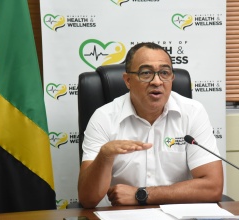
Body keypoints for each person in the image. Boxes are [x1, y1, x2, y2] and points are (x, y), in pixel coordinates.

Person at [78, 42, 223, 208]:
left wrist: (141, 194)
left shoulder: (192, 112)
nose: (157, 81)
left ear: (172, 78)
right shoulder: (104, 118)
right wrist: (104, 156)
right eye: (146, 73)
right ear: (128, 80)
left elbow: (213, 186)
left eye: (164, 73)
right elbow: (87, 199)